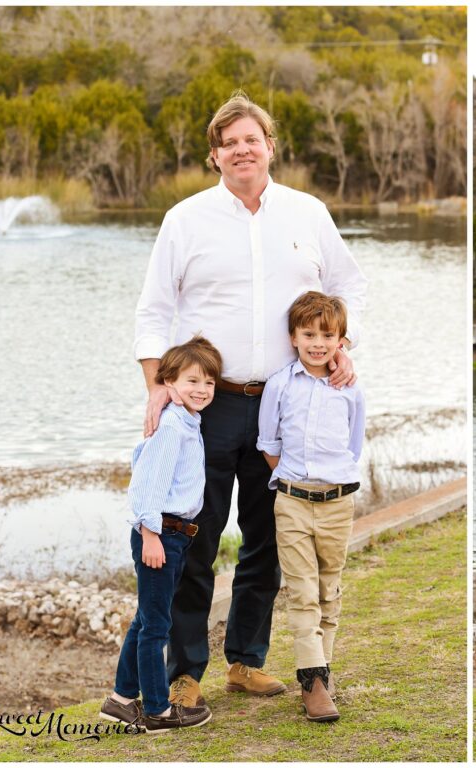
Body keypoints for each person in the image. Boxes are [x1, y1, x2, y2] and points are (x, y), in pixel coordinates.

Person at [134, 92, 368, 708]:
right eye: (230, 143)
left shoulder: (308, 213)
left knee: (265, 540)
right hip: (207, 405)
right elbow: (155, 309)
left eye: (252, 139)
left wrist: (344, 344)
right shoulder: (185, 220)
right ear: (216, 156)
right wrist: (157, 387)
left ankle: (246, 661)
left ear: (270, 147)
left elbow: (348, 284)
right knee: (194, 539)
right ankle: (186, 673)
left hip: (286, 404)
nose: (243, 150)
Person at [100, 337, 221, 733]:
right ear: (167, 382)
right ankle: (156, 711)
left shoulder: (187, 420)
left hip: (173, 534)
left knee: (147, 619)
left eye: (209, 383)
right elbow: (147, 486)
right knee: (156, 627)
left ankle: (120, 699)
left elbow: (141, 459)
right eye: (192, 381)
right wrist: (151, 535)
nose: (202, 390)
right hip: (161, 534)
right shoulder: (172, 426)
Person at [257, 292, 365, 723]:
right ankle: (313, 683)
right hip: (293, 501)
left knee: (328, 591)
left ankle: (324, 667)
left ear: (341, 340)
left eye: (327, 335)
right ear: (293, 338)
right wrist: (294, 480)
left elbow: (353, 445)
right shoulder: (281, 385)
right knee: (301, 592)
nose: (318, 343)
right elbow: (269, 444)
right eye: (309, 334)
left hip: (338, 502)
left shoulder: (351, 390)